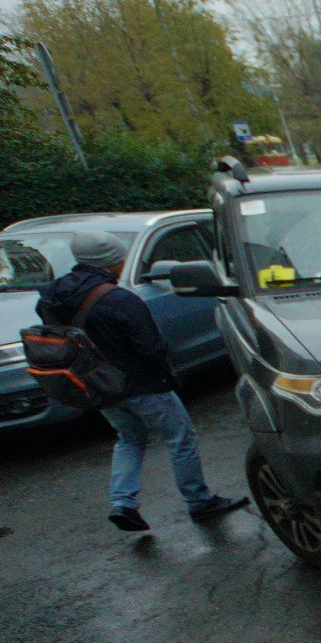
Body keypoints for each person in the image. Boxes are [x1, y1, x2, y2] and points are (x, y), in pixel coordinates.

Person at [36, 228, 248, 533]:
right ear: (114, 262)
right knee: (180, 439)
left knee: (129, 438)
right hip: (142, 384)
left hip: (98, 386)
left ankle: (123, 503)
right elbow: (152, 349)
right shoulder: (120, 300)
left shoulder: (53, 297)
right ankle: (200, 501)